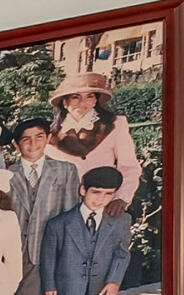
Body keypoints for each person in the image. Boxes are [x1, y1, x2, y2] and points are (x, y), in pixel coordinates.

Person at [40, 166, 133, 295]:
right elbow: (49, 257)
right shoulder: (60, 223)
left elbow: (122, 254)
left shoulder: (120, 221)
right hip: (66, 285)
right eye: (96, 192)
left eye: (108, 194)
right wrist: (50, 285)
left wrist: (114, 281)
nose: (101, 199)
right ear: (83, 190)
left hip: (98, 286)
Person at [4, 119, 81, 295]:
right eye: (26, 139)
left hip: (45, 246)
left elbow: (70, 211)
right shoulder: (7, 173)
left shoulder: (66, 170)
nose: (33, 143)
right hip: (10, 247)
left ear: (48, 138)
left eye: (39, 137)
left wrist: (64, 250)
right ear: (16, 144)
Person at [48, 68, 141, 210]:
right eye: (75, 97)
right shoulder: (50, 135)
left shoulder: (114, 125)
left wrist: (121, 198)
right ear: (65, 102)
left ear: (95, 100)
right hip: (62, 207)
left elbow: (129, 167)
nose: (82, 102)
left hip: (102, 204)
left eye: (89, 96)